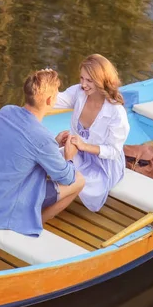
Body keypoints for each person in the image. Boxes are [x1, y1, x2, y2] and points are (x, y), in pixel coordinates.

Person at [0, 69, 85, 237]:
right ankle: (33, 223)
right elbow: (67, 177)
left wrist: (54, 143)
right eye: (57, 95)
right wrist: (69, 156)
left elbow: (23, 144)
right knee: (79, 180)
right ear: (50, 100)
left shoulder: (5, 111)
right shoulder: (41, 139)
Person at [54, 54, 130, 212]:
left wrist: (84, 146)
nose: (83, 84)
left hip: (103, 164)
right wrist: (45, 82)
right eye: (82, 78)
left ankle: (51, 208)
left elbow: (114, 151)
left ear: (103, 80)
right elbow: (54, 100)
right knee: (47, 161)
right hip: (76, 152)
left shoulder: (116, 112)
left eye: (89, 81)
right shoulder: (79, 93)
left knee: (86, 183)